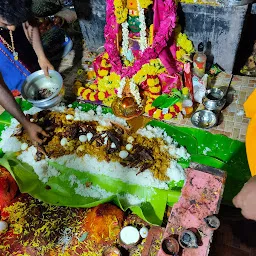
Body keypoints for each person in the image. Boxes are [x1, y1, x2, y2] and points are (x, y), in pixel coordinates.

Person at [0, 0, 53, 145]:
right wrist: (25, 123)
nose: (11, 28)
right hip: (10, 87)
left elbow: (30, 22)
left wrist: (41, 57)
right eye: (5, 24)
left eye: (15, 22)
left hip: (28, 61)